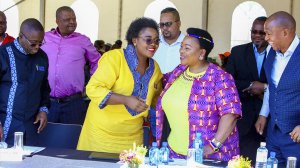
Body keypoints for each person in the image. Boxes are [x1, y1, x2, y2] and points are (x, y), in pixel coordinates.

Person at [77, 17, 163, 153]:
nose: (154, 44)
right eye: (148, 39)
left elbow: (157, 99)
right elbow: (93, 89)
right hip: (100, 137)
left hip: (132, 139)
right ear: (135, 40)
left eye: (157, 40)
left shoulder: (155, 68)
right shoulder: (115, 58)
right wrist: (126, 99)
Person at [156, 28, 242, 161]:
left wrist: (212, 146)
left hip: (208, 157)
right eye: (181, 47)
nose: (181, 51)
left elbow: (230, 115)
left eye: (187, 48)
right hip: (174, 154)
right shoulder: (178, 71)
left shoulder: (220, 78)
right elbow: (157, 81)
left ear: (202, 53)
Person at [255, 11, 300, 167]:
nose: (266, 38)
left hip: (296, 136)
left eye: (268, 33)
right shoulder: (271, 51)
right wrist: (263, 114)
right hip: (274, 132)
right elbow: (272, 88)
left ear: (285, 32)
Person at [41, 6, 100, 125]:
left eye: (74, 19)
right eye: (67, 19)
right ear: (57, 21)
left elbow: (97, 62)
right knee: (45, 140)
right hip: (47, 102)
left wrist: (92, 84)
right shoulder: (44, 38)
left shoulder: (83, 40)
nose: (72, 22)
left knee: (73, 140)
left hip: (74, 103)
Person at [226, 16, 269, 163]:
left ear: (268, 33)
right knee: (243, 160)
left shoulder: (276, 53)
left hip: (268, 119)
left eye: (261, 33)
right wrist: (251, 85)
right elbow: (228, 82)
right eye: (254, 31)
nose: (257, 35)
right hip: (243, 118)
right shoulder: (238, 52)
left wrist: (263, 88)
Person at [0, 18, 50, 145]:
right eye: (33, 43)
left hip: (31, 125)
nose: (37, 47)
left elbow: (44, 87)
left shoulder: (42, 57)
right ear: (21, 37)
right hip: (5, 124)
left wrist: (43, 110)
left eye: (40, 43)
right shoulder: (3, 54)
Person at [153, 7, 185, 74]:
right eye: (162, 25)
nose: (164, 28)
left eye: (168, 24)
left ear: (179, 23)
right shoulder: (153, 43)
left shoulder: (187, 44)